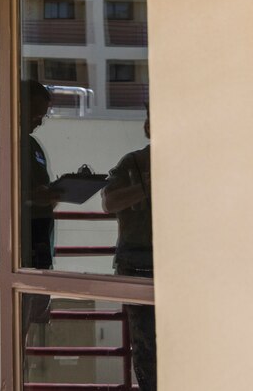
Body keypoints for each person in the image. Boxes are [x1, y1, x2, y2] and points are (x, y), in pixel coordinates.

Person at [0, 80, 59, 390]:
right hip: (2, 250)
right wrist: (36, 196)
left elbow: (34, 192)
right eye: (37, 112)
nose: (40, 120)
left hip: (33, 252)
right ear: (18, 106)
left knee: (18, 335)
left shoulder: (31, 145)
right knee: (0, 335)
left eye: (43, 114)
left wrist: (50, 193)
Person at [102, 106, 154, 391]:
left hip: (146, 261)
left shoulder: (133, 163)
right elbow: (110, 203)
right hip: (138, 262)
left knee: (154, 343)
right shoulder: (132, 163)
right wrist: (148, 186)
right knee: (146, 345)